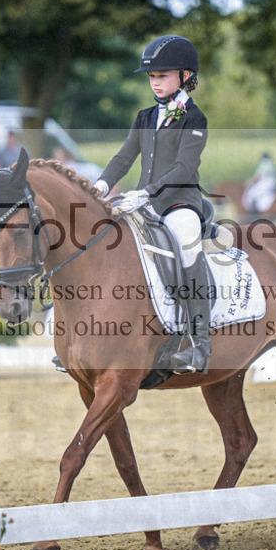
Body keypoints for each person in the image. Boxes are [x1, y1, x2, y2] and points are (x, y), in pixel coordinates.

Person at [93, 34, 212, 374]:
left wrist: (147, 193)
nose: (155, 83)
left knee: (188, 246)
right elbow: (124, 156)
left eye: (162, 76)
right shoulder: (145, 116)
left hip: (179, 202)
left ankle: (200, 344)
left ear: (186, 76)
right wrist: (100, 184)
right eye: (151, 77)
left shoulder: (194, 118)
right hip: (141, 202)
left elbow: (184, 168)